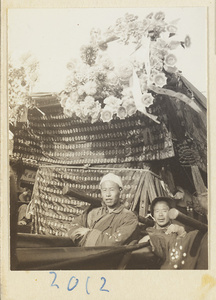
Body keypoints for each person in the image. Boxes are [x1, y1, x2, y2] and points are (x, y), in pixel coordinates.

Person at [67, 173, 139, 247]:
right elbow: (74, 226)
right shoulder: (94, 212)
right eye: (104, 190)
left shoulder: (128, 217)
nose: (108, 194)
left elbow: (112, 242)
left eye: (112, 190)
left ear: (120, 190)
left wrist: (87, 233)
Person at [139, 197, 208, 269]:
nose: (160, 214)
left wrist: (180, 233)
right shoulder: (149, 231)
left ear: (170, 213)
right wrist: (151, 238)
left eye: (164, 211)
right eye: (157, 211)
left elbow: (185, 243)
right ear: (153, 214)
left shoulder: (177, 229)